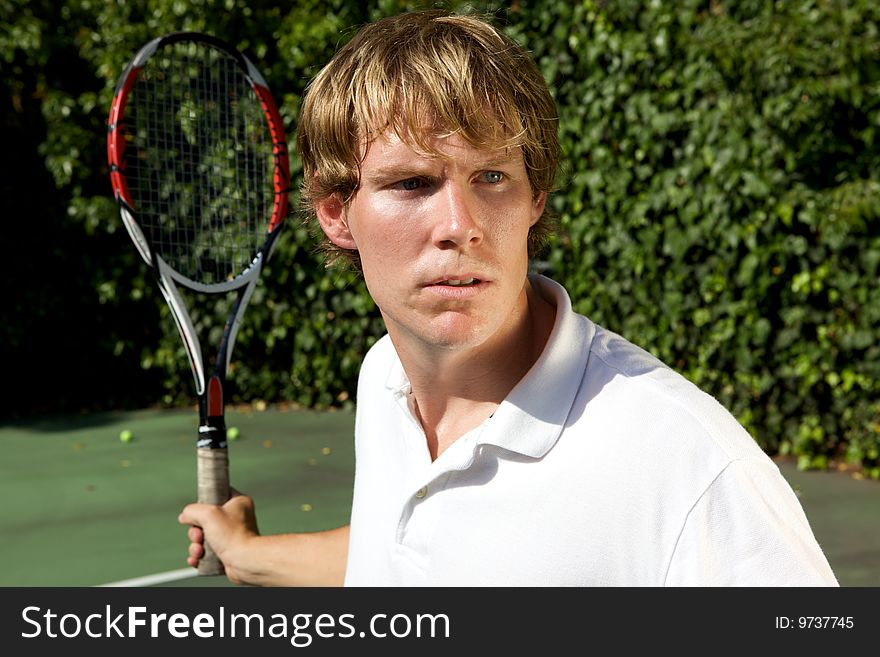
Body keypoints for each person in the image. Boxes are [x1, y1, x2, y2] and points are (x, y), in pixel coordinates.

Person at [179, 9, 838, 586]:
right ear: (335, 212)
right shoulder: (384, 377)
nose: (460, 223)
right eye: (411, 183)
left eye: (492, 175)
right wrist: (251, 554)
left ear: (535, 201)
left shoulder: (685, 463)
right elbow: (425, 558)